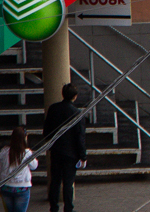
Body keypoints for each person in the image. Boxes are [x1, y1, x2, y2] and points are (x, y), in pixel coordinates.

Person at [42, 83, 85, 212]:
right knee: (68, 183)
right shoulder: (77, 113)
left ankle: (53, 207)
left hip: (56, 150)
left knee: (55, 181)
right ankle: (68, 208)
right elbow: (80, 137)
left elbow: (47, 131)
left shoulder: (53, 109)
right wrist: (83, 156)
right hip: (71, 153)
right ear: (75, 97)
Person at [0, 127, 38, 212]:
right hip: (22, 188)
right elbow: (34, 166)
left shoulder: (4, 151)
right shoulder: (26, 152)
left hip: (6, 187)